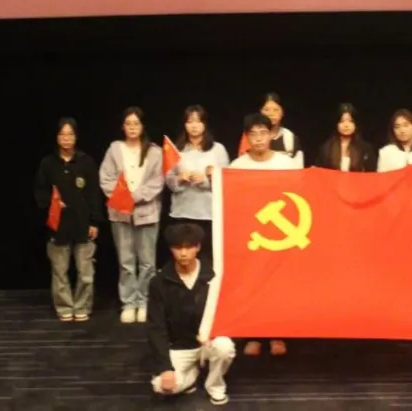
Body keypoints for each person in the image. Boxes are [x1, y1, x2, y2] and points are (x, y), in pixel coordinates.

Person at [229, 113, 299, 355]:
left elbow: (298, 197)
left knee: (278, 286)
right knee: (251, 285)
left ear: (271, 135)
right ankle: (254, 335)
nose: (258, 138)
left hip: (280, 237)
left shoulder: (286, 164)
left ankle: (278, 334)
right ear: (247, 137)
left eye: (263, 133)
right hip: (251, 237)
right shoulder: (237, 166)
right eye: (253, 134)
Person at [146, 223, 236, 406]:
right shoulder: (160, 282)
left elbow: (230, 312)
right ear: (171, 249)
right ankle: (191, 375)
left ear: (198, 247)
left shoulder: (215, 276)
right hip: (180, 346)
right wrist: (165, 368)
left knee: (225, 347)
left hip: (210, 341)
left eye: (189, 247)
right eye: (178, 248)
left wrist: (213, 333)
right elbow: (156, 326)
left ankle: (215, 384)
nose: (183, 253)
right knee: (162, 386)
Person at [32, 117, 104, 322]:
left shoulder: (86, 161)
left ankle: (82, 306)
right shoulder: (48, 163)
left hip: (83, 225)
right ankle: (64, 306)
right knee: (59, 271)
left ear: (76, 137)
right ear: (57, 137)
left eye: (70, 134)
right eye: (62, 134)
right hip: (57, 225)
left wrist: (94, 222)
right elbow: (40, 192)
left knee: (85, 271)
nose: (66, 138)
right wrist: (52, 203)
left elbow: (94, 193)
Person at [100, 107, 164, 324]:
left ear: (142, 126)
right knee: (126, 261)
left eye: (136, 123)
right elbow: (106, 178)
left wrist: (135, 196)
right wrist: (122, 197)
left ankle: (144, 302)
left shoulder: (154, 151)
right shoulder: (115, 149)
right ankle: (128, 303)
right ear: (123, 127)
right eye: (129, 124)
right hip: (120, 212)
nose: (132, 127)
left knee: (147, 262)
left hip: (147, 212)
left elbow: (158, 181)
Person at [166, 105, 230, 264]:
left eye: (198, 121)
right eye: (190, 122)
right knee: (183, 256)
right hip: (182, 212)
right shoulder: (177, 149)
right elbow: (168, 179)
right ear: (184, 125)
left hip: (208, 213)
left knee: (207, 256)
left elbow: (226, 180)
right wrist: (180, 178)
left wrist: (205, 179)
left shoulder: (217, 149)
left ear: (205, 124)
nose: (194, 126)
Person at [316, 103, 377, 172]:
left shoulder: (365, 149)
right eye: (342, 121)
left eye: (350, 121)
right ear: (336, 124)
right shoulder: (327, 148)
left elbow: (372, 173)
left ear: (356, 124)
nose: (346, 125)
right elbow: (320, 172)